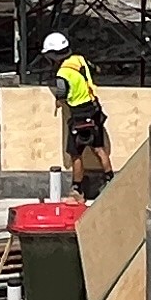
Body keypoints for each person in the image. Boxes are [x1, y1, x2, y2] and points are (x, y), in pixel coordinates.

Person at [45, 31, 113, 200]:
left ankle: (77, 190)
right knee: (99, 149)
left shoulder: (62, 74)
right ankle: (111, 181)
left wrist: (59, 101)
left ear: (53, 56)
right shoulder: (80, 59)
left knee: (76, 154)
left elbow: (62, 92)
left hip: (79, 116)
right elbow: (93, 69)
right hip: (94, 109)